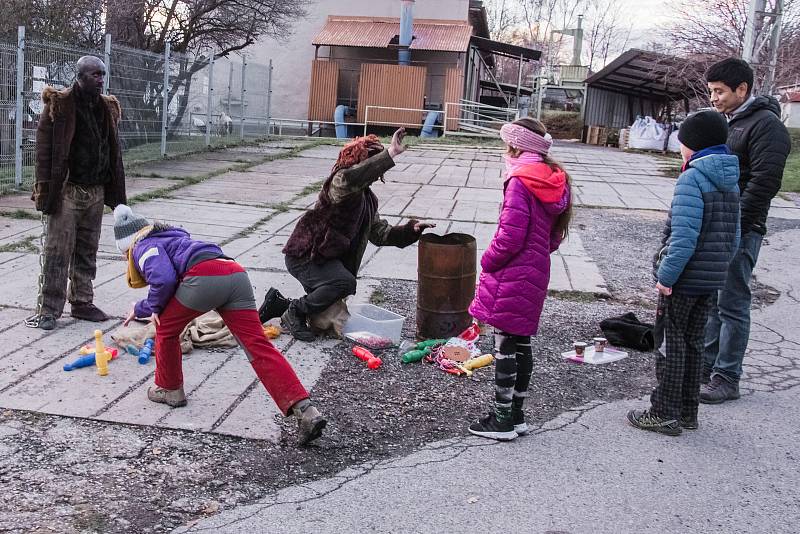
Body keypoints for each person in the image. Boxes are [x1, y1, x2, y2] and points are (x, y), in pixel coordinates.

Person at [114, 205, 326, 445]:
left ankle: (169, 388)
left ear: (128, 245)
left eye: (124, 255)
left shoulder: (142, 245)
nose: (126, 259)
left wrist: (144, 307)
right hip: (235, 273)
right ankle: (305, 410)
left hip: (204, 278)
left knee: (166, 328)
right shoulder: (174, 237)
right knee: (257, 345)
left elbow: (163, 279)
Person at [262, 128, 435, 341]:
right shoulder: (339, 182)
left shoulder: (367, 199)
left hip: (324, 261)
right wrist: (390, 153)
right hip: (305, 257)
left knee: (327, 314)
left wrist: (411, 229)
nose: (374, 172)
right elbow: (355, 176)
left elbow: (381, 233)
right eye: (370, 163)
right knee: (344, 283)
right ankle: (294, 312)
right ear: (358, 162)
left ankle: (279, 303)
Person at [627, 111, 741, 436]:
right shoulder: (731, 179)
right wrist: (717, 269)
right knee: (694, 344)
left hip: (683, 281)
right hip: (711, 280)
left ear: (692, 145)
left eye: (682, 143)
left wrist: (666, 277)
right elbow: (733, 237)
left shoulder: (693, 177)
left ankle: (663, 412)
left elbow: (683, 238)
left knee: (670, 346)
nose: (680, 149)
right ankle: (688, 412)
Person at [467, 118, 572, 441]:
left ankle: (501, 420)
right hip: (536, 268)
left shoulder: (520, 181)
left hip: (511, 271)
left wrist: (487, 261)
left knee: (505, 346)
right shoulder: (554, 179)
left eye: (506, 144)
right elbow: (554, 234)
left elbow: (510, 237)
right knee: (521, 342)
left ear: (516, 146)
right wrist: (539, 252)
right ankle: (517, 415)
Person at [701, 58, 791, 404]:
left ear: (743, 89)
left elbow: (764, 182)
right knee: (712, 300)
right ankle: (705, 367)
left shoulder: (766, 126)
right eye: (711, 91)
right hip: (718, 225)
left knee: (732, 303)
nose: (714, 98)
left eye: (719, 91)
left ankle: (727, 376)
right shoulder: (731, 121)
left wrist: (735, 225)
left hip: (741, 228)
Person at [29, 55, 127, 331]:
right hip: (67, 192)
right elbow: (44, 153)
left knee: (87, 250)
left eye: (102, 75)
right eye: (95, 75)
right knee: (57, 251)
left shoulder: (106, 107)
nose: (100, 80)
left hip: (95, 191)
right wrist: (44, 190)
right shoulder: (59, 105)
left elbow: (113, 151)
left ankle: (82, 301)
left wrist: (116, 194)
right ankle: (49, 308)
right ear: (80, 76)